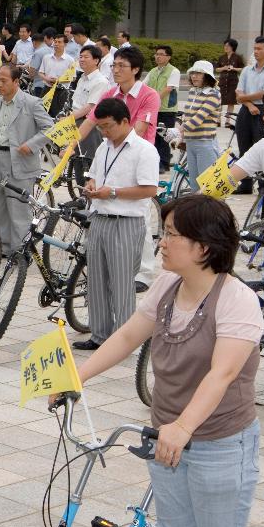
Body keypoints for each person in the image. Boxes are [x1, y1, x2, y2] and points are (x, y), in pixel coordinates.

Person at [67, 194, 260, 527]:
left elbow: (222, 374)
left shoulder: (237, 300)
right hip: (166, 440)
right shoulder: (168, 286)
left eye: (172, 234)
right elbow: (126, 336)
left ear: (204, 247)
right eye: (164, 232)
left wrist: (184, 426)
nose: (161, 242)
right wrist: (75, 376)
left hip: (220, 444)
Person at [75, 97, 160, 351]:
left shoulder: (145, 150)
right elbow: (94, 177)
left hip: (126, 223)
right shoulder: (104, 147)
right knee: (97, 281)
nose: (104, 131)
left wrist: (112, 193)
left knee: (122, 284)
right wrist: (91, 186)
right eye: (100, 126)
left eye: (108, 126)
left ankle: (124, 341)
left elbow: (149, 189)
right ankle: (100, 335)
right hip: (100, 218)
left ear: (126, 121)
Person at [0, 64, 54, 255]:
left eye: (3, 81)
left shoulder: (31, 103)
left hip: (20, 159)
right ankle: (4, 246)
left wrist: (31, 144)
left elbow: (49, 128)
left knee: (18, 207)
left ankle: (21, 250)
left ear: (16, 82)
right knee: (0, 205)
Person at [233, 37, 264, 193]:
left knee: (260, 146)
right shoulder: (247, 70)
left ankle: (262, 186)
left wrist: (243, 99)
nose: (255, 51)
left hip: (263, 109)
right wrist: (248, 103)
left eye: (259, 48)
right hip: (246, 110)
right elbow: (238, 91)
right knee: (244, 146)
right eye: (254, 48)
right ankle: (245, 185)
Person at [179, 61, 222, 181]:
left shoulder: (214, 94)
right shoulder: (193, 91)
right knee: (194, 183)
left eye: (198, 73)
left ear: (207, 76)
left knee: (207, 184)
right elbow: (188, 116)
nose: (194, 76)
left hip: (205, 142)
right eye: (192, 73)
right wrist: (181, 134)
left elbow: (198, 118)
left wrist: (178, 130)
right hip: (190, 142)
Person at [146, 45, 181, 171]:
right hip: (154, 109)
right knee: (154, 136)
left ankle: (164, 163)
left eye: (161, 54)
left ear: (168, 57)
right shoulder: (153, 71)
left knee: (165, 137)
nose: (158, 56)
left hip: (167, 109)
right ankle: (155, 162)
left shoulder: (174, 71)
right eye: (156, 54)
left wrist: (153, 100)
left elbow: (168, 88)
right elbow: (145, 86)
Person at [216, 38, 244, 129]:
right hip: (223, 82)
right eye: (225, 45)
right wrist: (224, 68)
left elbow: (242, 69)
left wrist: (233, 68)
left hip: (233, 82)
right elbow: (216, 69)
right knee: (219, 101)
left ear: (233, 47)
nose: (225, 47)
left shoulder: (238, 57)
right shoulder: (221, 57)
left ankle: (228, 121)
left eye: (228, 46)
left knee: (231, 102)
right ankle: (218, 120)